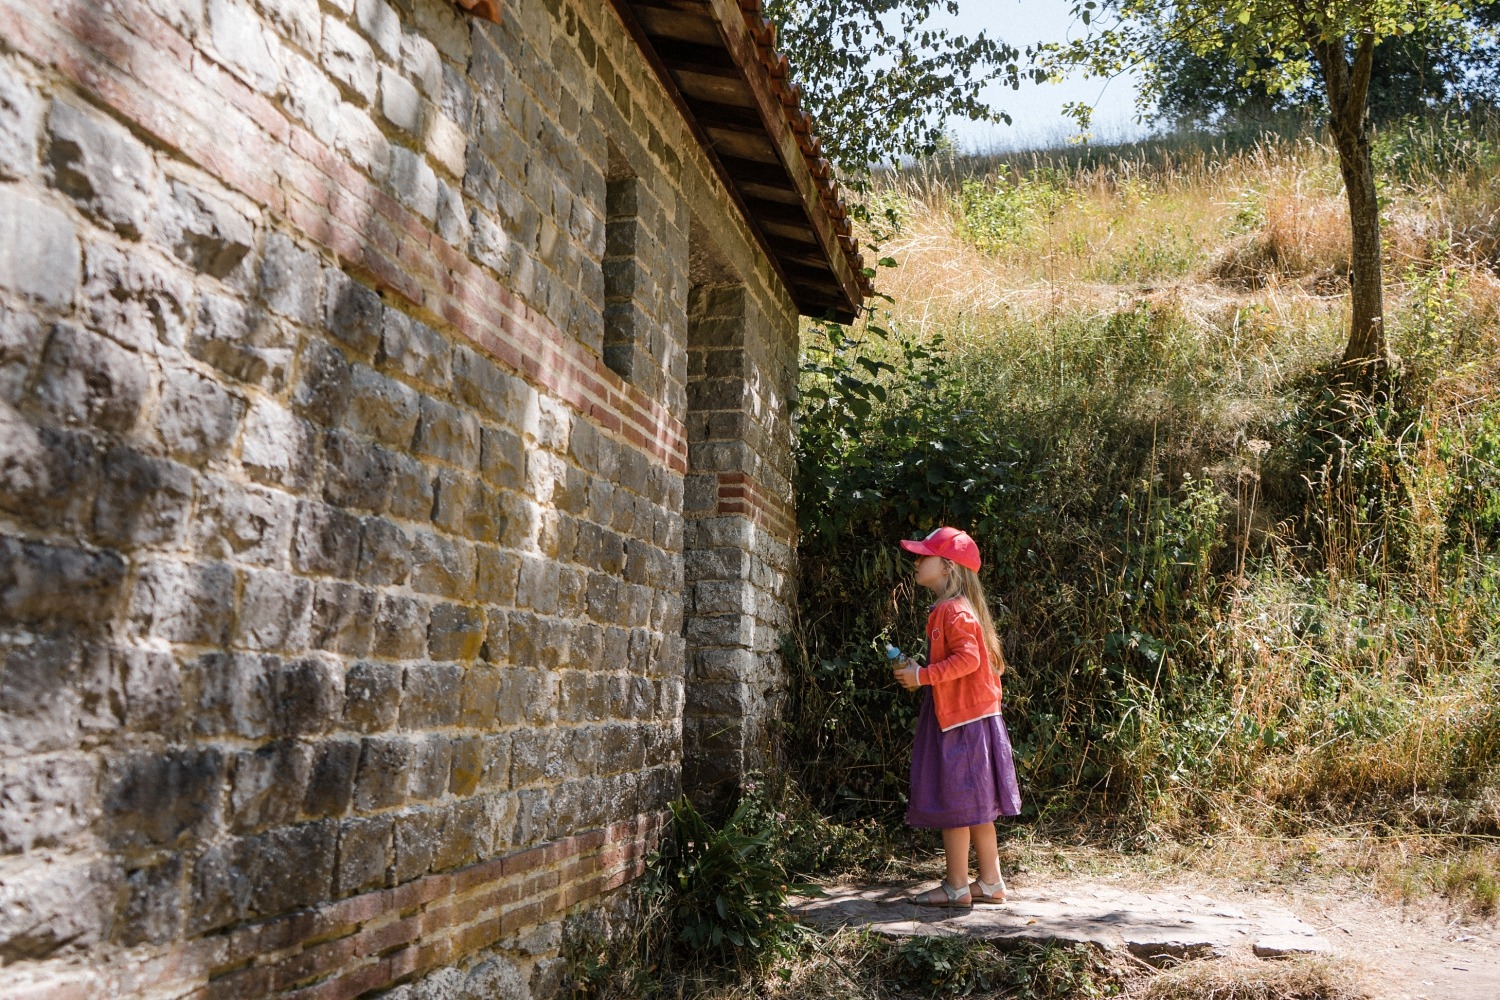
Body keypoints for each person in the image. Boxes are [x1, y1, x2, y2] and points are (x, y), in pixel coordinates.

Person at [891, 526, 1022, 907]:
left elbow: (969, 660)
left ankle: (957, 886)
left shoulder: (950, 610)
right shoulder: (960, 609)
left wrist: (924, 676)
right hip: (972, 718)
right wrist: (922, 672)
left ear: (947, 567)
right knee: (978, 804)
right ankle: (992, 882)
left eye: (924, 555)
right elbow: (963, 662)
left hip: (961, 723)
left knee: (956, 802)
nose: (917, 561)